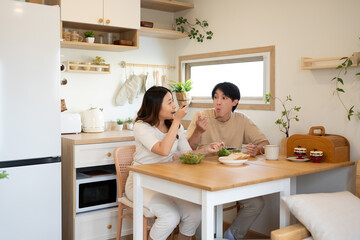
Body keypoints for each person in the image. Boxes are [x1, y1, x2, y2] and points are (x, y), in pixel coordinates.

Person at [125, 86, 223, 240]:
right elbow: (163, 150)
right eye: (169, 102)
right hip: (141, 184)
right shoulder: (141, 126)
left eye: (173, 102)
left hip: (166, 183)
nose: (174, 107)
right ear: (156, 105)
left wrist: (206, 150)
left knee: (195, 213)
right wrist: (177, 120)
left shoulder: (174, 126)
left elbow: (186, 154)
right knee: (170, 217)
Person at [186, 82, 270, 240]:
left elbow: (265, 143)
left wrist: (257, 149)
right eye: (215, 97)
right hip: (202, 177)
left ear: (234, 102)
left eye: (224, 98)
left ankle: (231, 236)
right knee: (199, 206)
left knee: (256, 203)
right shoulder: (202, 116)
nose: (218, 102)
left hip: (231, 178)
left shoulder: (242, 119)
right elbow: (188, 149)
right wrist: (198, 130)